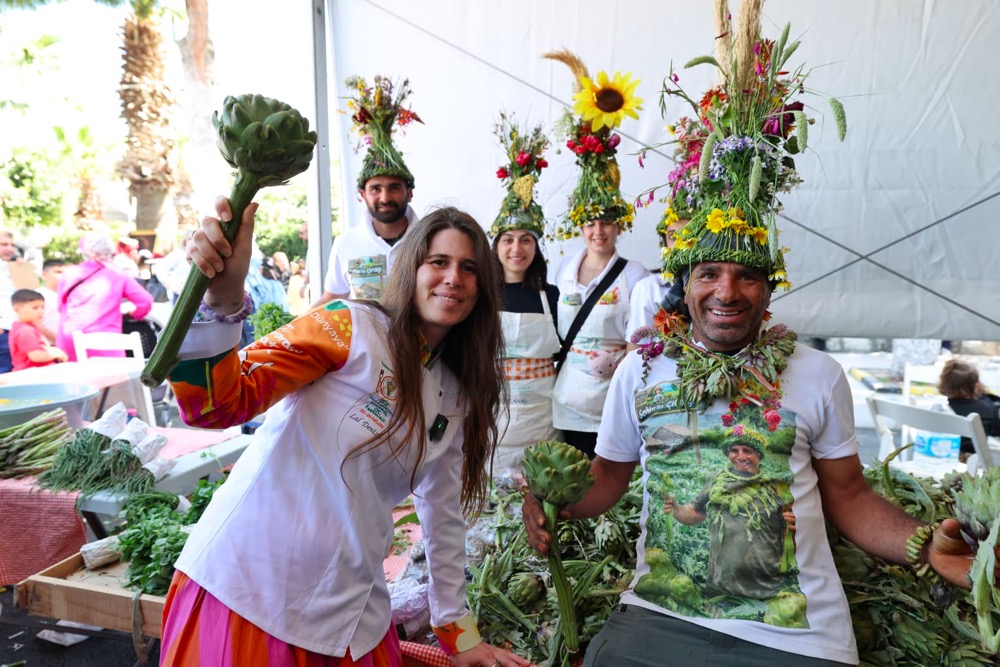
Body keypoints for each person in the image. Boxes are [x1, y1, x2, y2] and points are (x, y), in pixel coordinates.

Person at [525, 17, 979, 666]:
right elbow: (607, 479)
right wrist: (551, 500)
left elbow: (850, 497)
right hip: (657, 620)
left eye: (747, 275)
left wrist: (926, 543)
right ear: (684, 285)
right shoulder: (641, 372)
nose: (727, 291)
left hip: (796, 639)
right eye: (709, 273)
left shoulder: (817, 375)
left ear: (769, 289)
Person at [160, 201, 528, 667]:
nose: (454, 278)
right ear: (411, 269)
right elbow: (217, 404)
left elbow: (444, 516)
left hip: (353, 609)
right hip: (249, 592)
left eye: (469, 268)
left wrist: (459, 637)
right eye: (438, 261)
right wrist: (222, 298)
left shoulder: (456, 393)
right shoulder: (348, 326)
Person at [545, 51, 647, 458]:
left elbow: (644, 337)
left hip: (612, 397)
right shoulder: (564, 270)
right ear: (580, 226)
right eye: (590, 222)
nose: (598, 231)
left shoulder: (633, 274)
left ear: (619, 225)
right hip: (568, 399)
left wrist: (625, 359)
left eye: (606, 222)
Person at [489, 113, 561, 472]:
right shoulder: (481, 296)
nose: (516, 248)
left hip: (542, 424)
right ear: (496, 245)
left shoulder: (552, 296)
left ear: (536, 247)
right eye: (508, 240)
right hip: (492, 424)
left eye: (525, 240)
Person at [316, 75, 422, 305]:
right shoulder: (346, 243)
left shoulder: (430, 238)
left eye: (394, 187)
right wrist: (293, 324)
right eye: (375, 189)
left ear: (409, 192)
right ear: (362, 194)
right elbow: (333, 297)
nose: (385, 197)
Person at [56, 232, 153, 361]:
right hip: (107, 340)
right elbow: (145, 301)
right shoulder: (118, 275)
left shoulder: (69, 273)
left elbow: (61, 307)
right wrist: (134, 314)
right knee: (116, 373)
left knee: (75, 374)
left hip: (70, 338)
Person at [938, 359, 1000, 452]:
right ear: (976, 386)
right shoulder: (987, 408)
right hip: (976, 457)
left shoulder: (939, 409)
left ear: (944, 384)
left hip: (944, 452)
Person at [0, 230, 38, 373]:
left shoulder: (12, 266)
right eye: (4, 244)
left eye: (12, 245)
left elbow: (28, 292)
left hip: (17, 328)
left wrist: (23, 270)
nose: (9, 248)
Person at [10, 288, 68, 370]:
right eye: (35, 308)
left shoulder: (28, 327)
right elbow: (36, 356)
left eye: (42, 307)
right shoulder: (25, 330)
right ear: (17, 309)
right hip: (32, 373)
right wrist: (55, 354)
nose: (40, 311)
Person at [37, 258, 65, 344]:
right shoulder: (38, 295)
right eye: (58, 272)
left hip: (71, 345)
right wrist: (59, 340)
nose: (63, 275)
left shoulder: (72, 295)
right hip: (48, 346)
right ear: (44, 274)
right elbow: (35, 324)